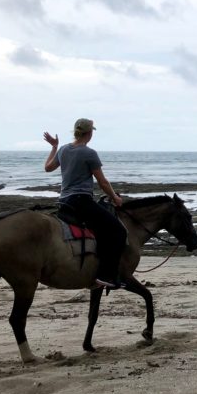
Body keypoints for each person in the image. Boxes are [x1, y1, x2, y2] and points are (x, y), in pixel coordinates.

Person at [43, 118, 127, 289]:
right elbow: (102, 182)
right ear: (89, 133)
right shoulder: (89, 153)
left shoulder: (63, 149)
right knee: (118, 231)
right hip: (81, 201)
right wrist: (115, 198)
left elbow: (47, 168)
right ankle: (106, 276)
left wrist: (54, 147)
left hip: (64, 201)